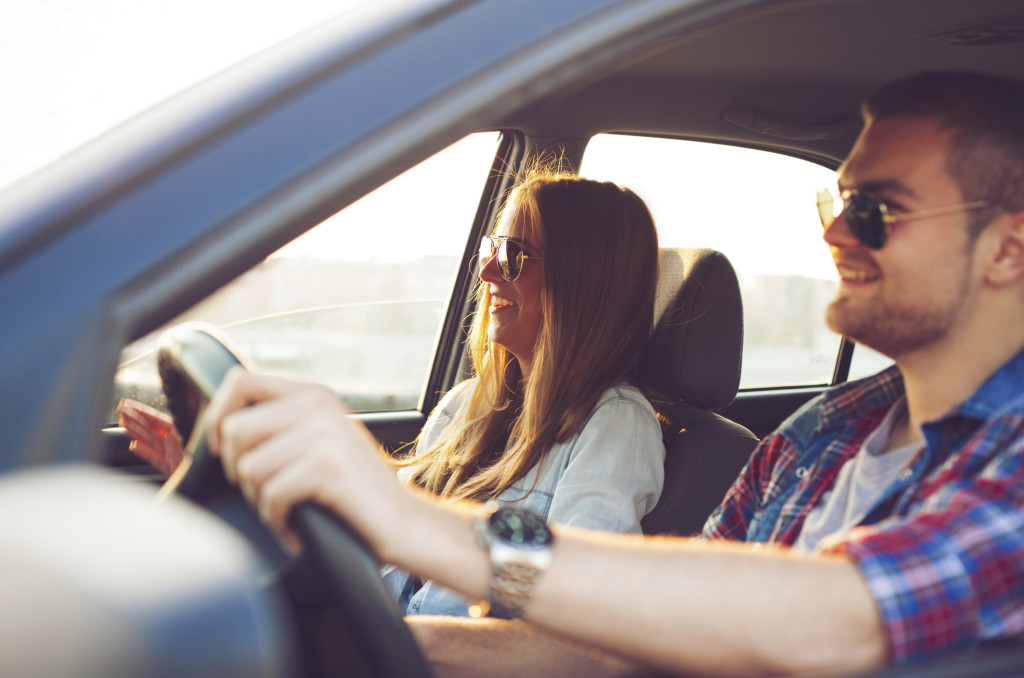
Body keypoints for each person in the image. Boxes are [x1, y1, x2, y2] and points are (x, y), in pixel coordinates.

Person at [203, 70, 1024, 677]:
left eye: (875, 211)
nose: (836, 235)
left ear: (1008, 249)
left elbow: (846, 619)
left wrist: (408, 519)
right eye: (835, 205)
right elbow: (634, 634)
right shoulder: (819, 435)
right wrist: (391, 645)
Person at [124, 170, 667, 618]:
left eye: (514, 256)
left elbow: (579, 610)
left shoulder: (616, 427)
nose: (485, 271)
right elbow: (373, 542)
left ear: (581, 281)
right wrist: (231, 484)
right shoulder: (467, 406)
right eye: (490, 248)